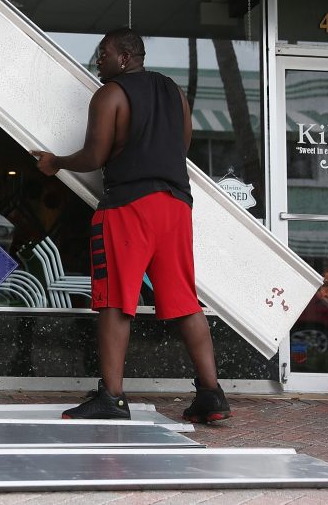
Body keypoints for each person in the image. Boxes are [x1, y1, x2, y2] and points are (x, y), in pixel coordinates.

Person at [30, 27, 231, 423]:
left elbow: (94, 154)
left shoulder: (110, 94)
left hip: (127, 207)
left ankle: (112, 398)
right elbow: (182, 145)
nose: (98, 60)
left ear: (125, 57)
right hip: (175, 205)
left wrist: (56, 162)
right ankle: (212, 395)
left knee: (114, 299)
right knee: (183, 300)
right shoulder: (174, 92)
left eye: (103, 52)